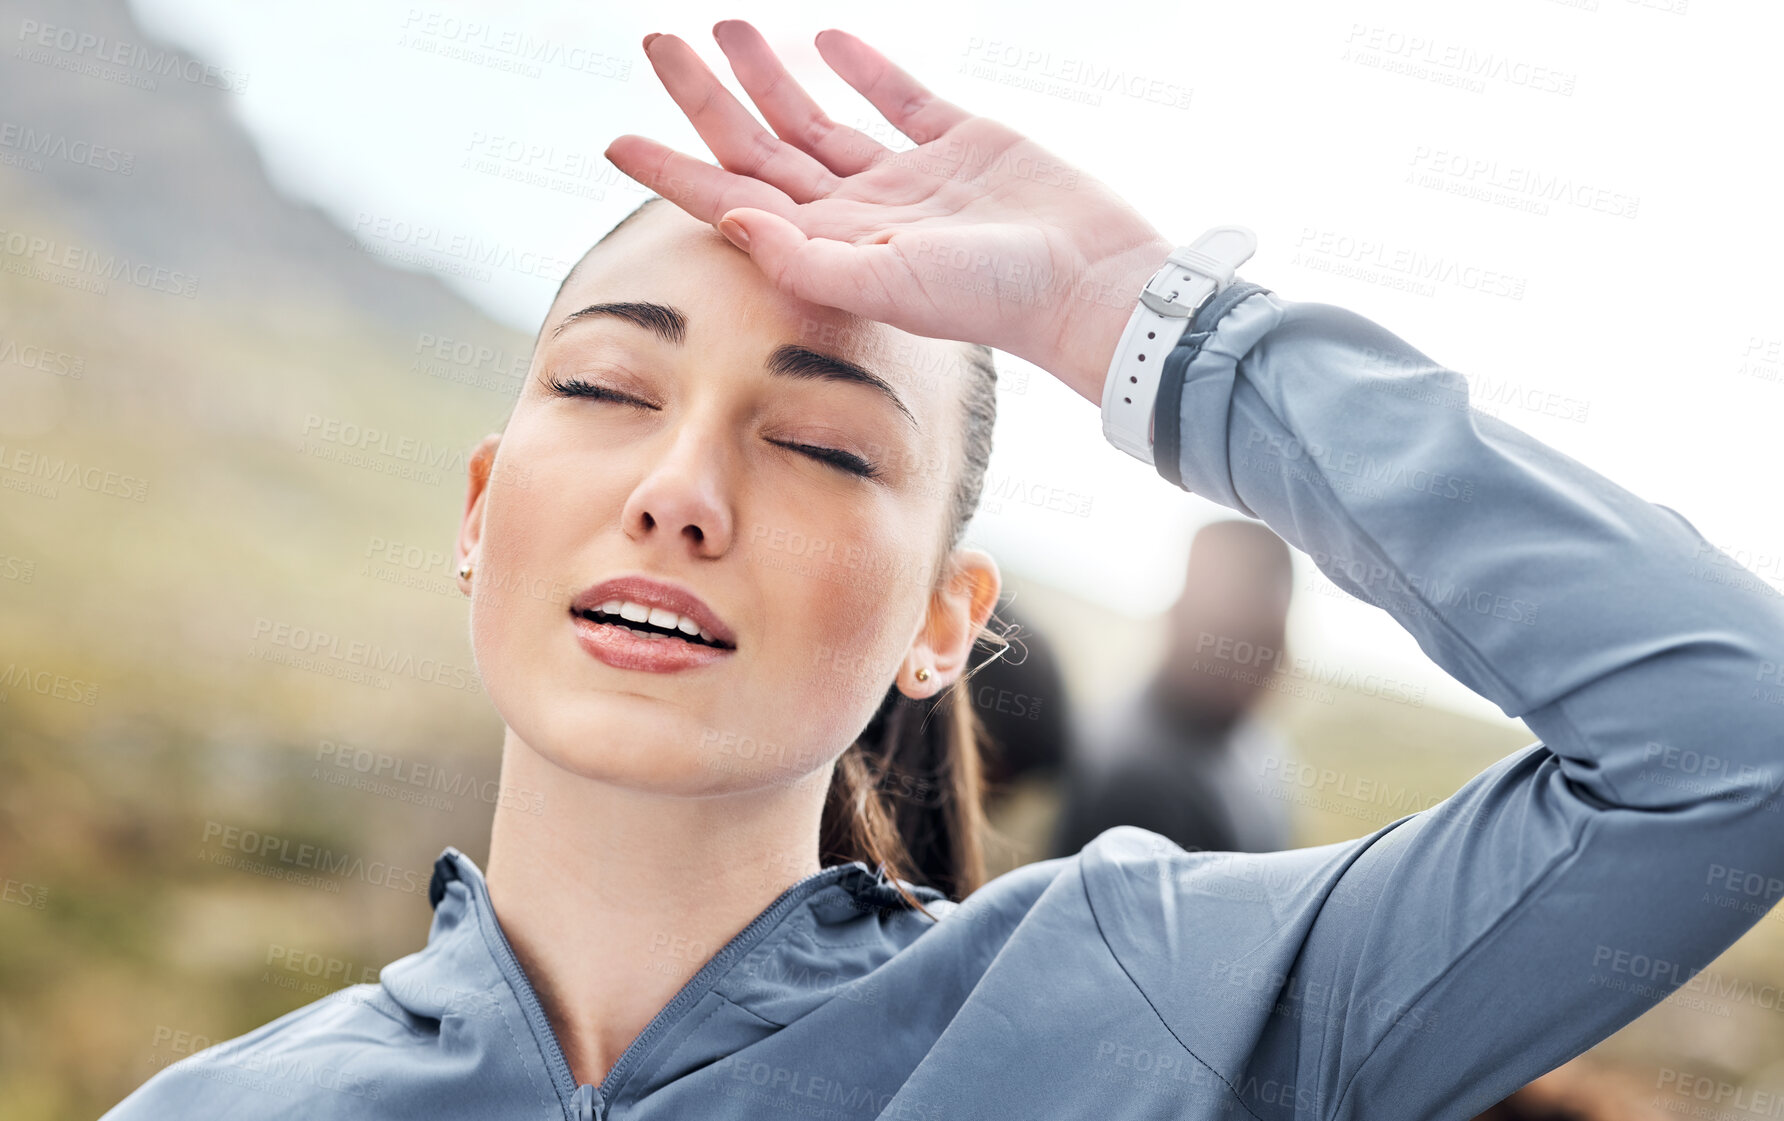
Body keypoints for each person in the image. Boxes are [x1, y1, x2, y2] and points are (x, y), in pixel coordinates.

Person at [102, 21, 1784, 1121]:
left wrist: (1131, 312)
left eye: (823, 445)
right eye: (609, 392)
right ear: (480, 508)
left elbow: (1727, 741)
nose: (680, 490)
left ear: (936, 621)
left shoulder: (1147, 1011)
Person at [1051, 519, 1300, 857]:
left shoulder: (1251, 739)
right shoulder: (1135, 783)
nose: (1254, 664)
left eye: (1268, 643)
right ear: (1177, 618)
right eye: (1231, 639)